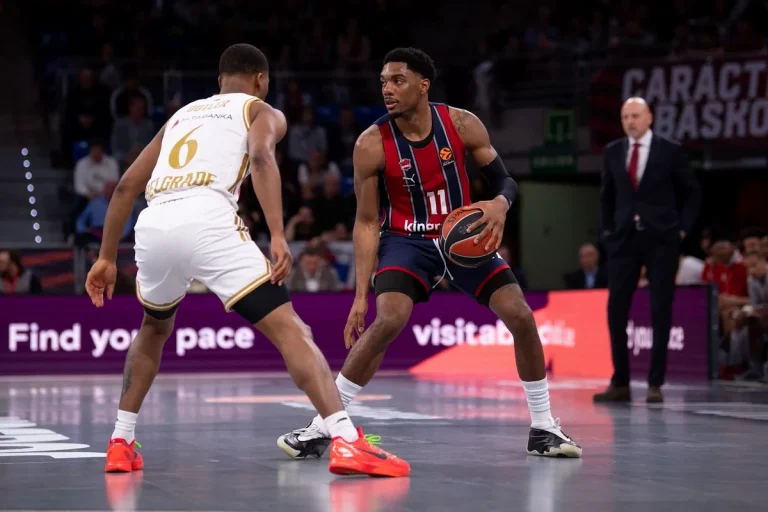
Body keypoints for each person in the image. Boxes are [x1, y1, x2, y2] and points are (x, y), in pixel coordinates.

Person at [85, 43, 409, 478]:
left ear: (218, 81)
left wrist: (106, 257)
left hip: (154, 221)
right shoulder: (261, 111)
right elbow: (260, 157)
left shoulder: (180, 117)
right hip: (208, 217)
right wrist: (277, 234)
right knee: (292, 329)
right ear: (262, 79)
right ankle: (346, 442)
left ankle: (120, 443)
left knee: (154, 327)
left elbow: (125, 185)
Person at [277, 47, 582, 459]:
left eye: (398, 80)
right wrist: (360, 296)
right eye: (384, 81)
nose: (387, 89)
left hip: (461, 235)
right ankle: (323, 427)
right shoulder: (371, 143)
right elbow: (367, 223)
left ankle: (544, 428)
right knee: (389, 319)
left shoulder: (461, 123)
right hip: (406, 241)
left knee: (522, 317)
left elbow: (505, 182)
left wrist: (499, 205)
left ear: (424, 84)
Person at [594, 97, 700, 404]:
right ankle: (621, 382)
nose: (630, 121)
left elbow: (692, 193)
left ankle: (655, 383)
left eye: (636, 115)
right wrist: (608, 232)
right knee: (616, 309)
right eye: (625, 116)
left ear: (649, 117)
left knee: (660, 309)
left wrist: (682, 229)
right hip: (624, 239)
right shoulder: (613, 151)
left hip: (662, 239)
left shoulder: (671, 150)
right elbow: (606, 196)